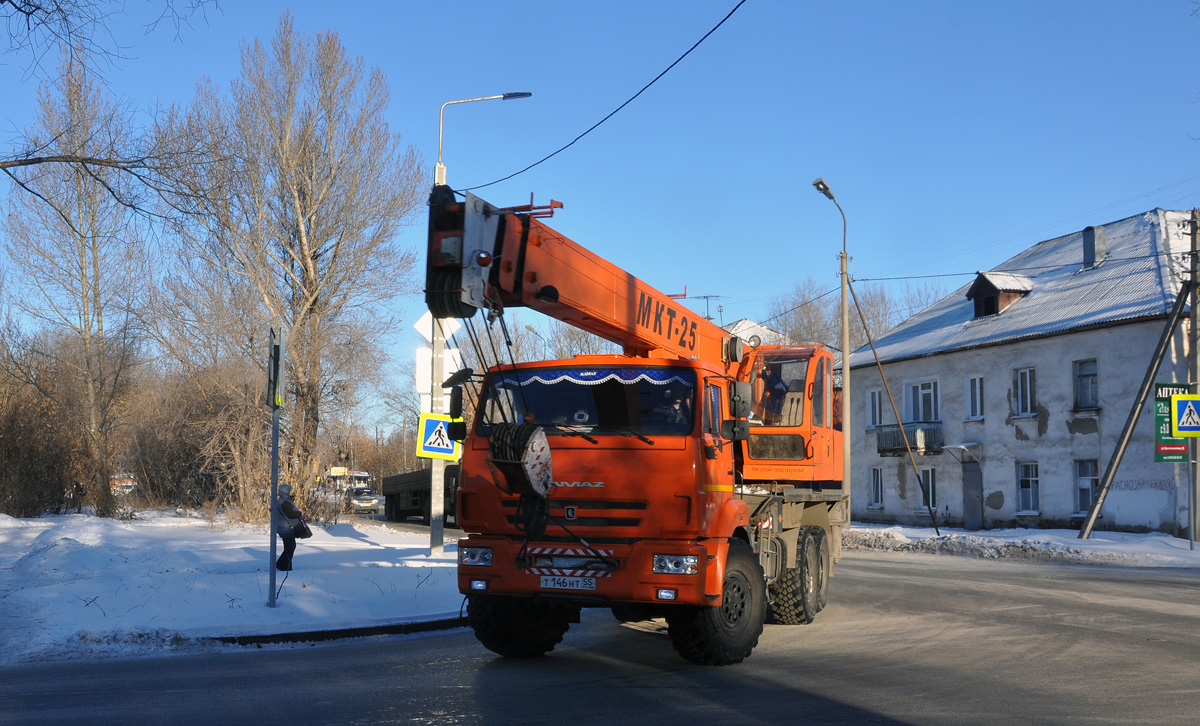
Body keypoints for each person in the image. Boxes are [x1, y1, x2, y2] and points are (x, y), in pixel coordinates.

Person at [275, 483, 304, 571]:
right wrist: (299, 512)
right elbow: (290, 514)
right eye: (289, 491)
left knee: (289, 547)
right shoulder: (285, 502)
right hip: (286, 528)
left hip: (283, 527)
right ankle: (283, 565)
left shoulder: (280, 500)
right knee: (291, 547)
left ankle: (283, 565)